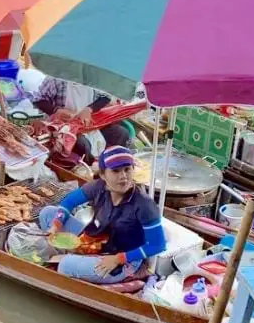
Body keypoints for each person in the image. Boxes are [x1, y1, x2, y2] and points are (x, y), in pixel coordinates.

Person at [38, 146, 166, 284]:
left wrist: (119, 259)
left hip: (122, 259)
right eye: (116, 171)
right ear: (103, 175)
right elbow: (68, 202)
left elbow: (157, 245)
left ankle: (73, 260)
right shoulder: (98, 187)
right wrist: (56, 225)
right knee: (48, 213)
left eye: (127, 169)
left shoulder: (144, 204)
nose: (123, 176)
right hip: (94, 240)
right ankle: (77, 258)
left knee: (65, 266)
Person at [31, 75, 131, 163]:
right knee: (82, 144)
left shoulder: (95, 78)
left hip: (89, 124)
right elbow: (38, 100)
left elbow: (105, 97)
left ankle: (113, 164)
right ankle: (91, 169)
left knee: (121, 133)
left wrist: (89, 109)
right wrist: (55, 110)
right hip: (64, 129)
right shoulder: (56, 78)